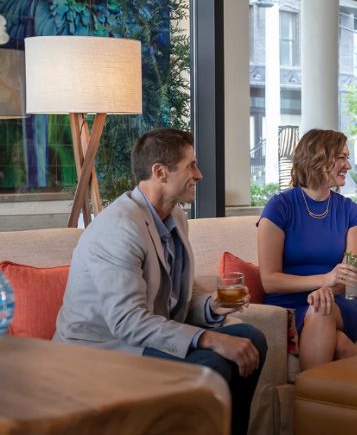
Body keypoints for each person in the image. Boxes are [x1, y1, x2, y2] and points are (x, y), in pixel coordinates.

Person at [55, 128, 267, 435]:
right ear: (160, 172)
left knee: (252, 338)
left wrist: (210, 307)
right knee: (213, 365)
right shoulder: (120, 228)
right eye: (191, 165)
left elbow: (166, 299)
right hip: (102, 350)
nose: (200, 174)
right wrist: (210, 338)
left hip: (138, 336)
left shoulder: (176, 218)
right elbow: (127, 321)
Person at [257, 129, 357, 370]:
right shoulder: (279, 207)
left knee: (321, 307)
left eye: (347, 158)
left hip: (341, 302)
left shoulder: (351, 212)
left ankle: (309, 404)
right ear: (318, 158)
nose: (348, 165)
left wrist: (328, 288)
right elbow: (269, 280)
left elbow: (353, 280)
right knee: (335, 336)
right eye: (341, 157)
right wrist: (323, 281)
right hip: (286, 304)